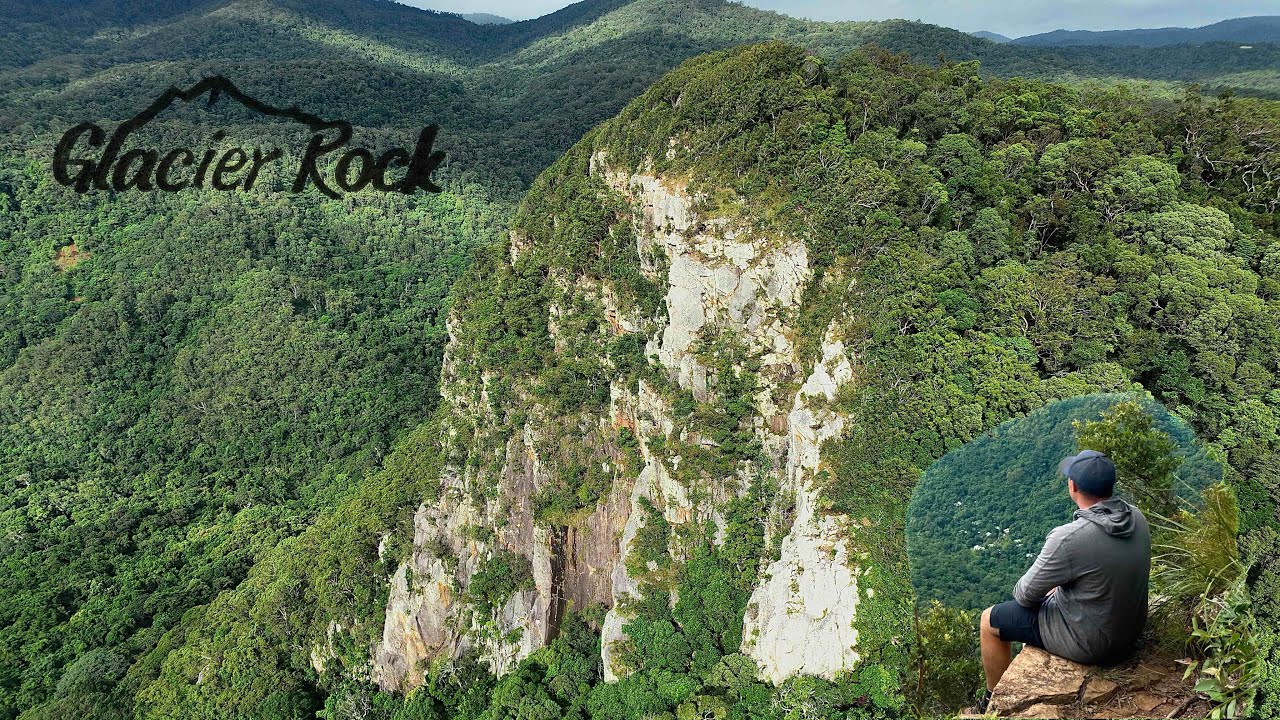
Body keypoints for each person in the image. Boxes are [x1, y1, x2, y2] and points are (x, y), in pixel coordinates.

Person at [976, 450, 1151, 713]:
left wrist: (1055, 584)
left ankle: (992, 702)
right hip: (1130, 630)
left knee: (990, 621)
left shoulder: (1069, 538)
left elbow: (1024, 595)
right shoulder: (1136, 517)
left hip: (1094, 645)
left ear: (1073, 485)